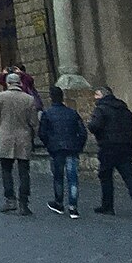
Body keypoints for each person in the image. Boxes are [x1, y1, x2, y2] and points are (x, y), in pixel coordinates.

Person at [86, 84, 132, 218]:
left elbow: (94, 126)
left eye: (96, 94)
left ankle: (108, 206)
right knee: (129, 177)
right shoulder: (123, 108)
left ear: (102, 95)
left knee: (106, 177)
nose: (95, 98)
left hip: (108, 146)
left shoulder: (101, 109)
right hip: (125, 145)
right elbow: (131, 127)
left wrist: (90, 125)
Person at [0, 71, 40, 214]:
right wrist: (34, 135)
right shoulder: (29, 99)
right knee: (24, 172)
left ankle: (10, 200)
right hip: (23, 138)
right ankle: (24, 203)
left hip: (6, 137)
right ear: (20, 83)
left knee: (6, 171)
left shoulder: (0, 97)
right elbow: (34, 122)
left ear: (7, 83)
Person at [38, 86, 88, 219]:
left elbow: (42, 133)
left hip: (56, 149)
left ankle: (59, 203)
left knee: (58, 178)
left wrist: (49, 144)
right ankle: (73, 207)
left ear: (51, 97)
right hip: (72, 148)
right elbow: (82, 132)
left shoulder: (47, 114)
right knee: (73, 179)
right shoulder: (72, 113)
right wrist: (78, 145)